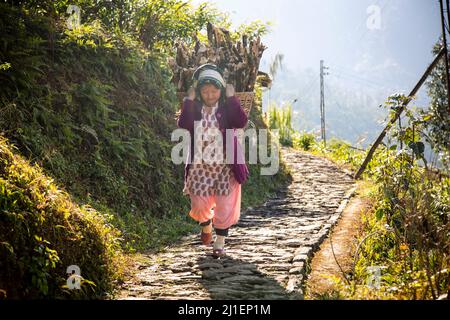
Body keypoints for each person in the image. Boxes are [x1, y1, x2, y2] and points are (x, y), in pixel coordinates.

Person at [177, 63, 249, 258]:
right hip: (201, 165)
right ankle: (206, 224)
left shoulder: (226, 108)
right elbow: (183, 123)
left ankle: (220, 242)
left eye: (214, 91)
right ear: (200, 93)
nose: (210, 95)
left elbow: (241, 122)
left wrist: (232, 97)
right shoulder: (196, 107)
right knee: (199, 204)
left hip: (226, 165)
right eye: (205, 91)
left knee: (225, 204)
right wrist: (189, 101)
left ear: (221, 90)